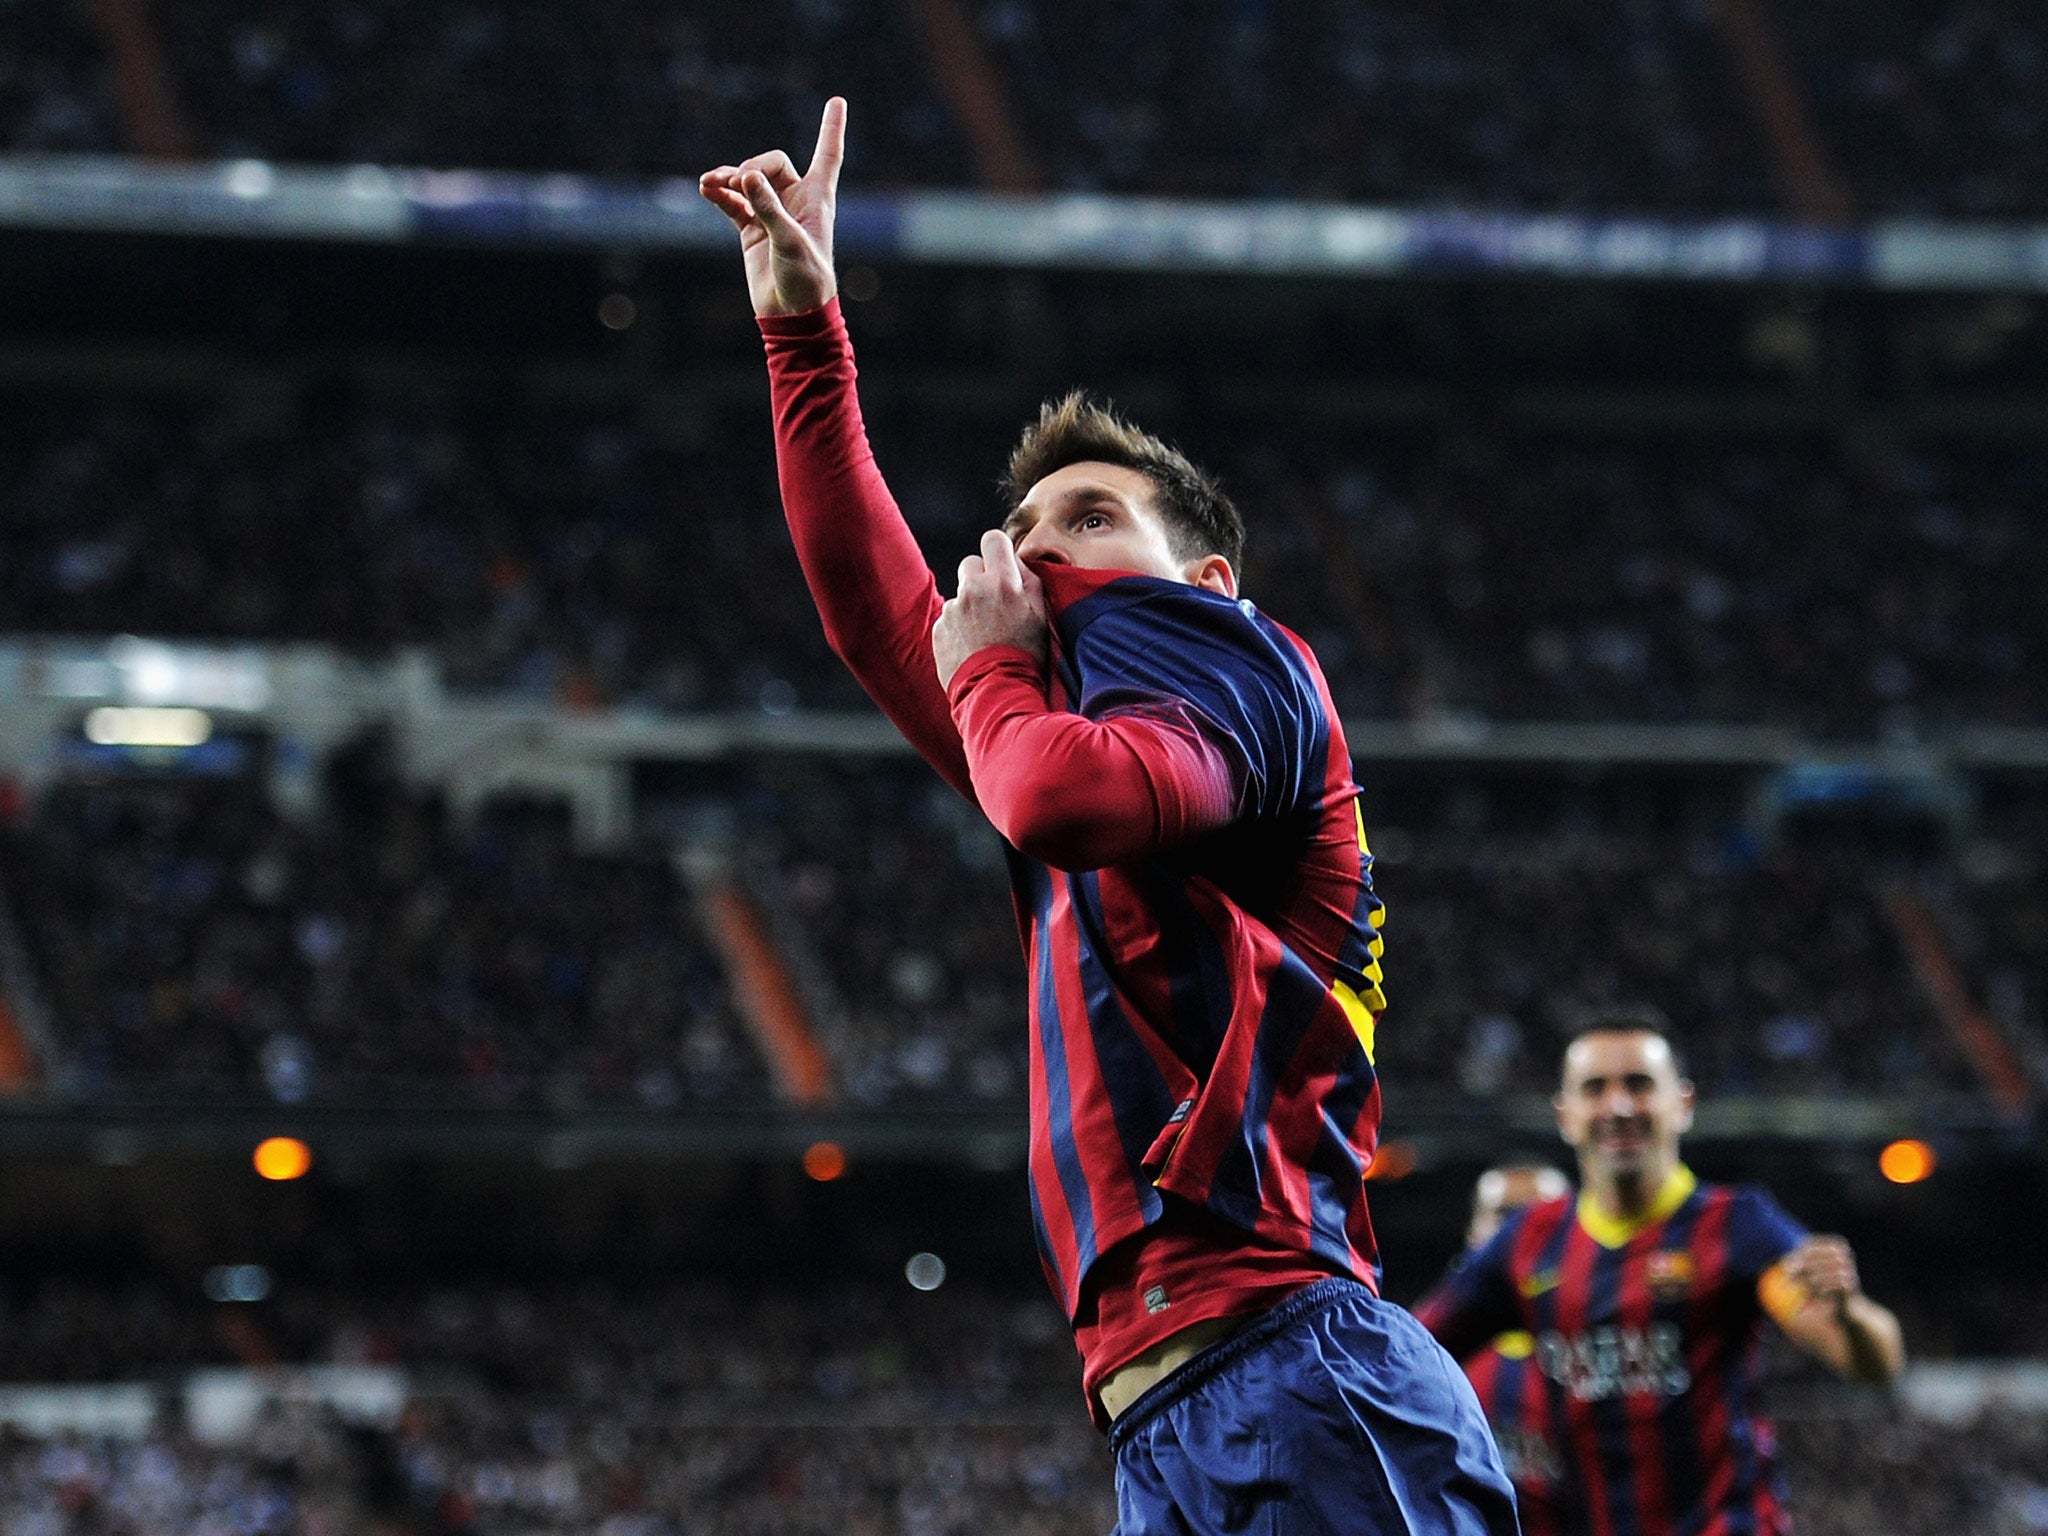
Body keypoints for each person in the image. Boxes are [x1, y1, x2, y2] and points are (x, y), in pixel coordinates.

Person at [700, 99, 1515, 1535]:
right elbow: (870, 614)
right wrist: (802, 333)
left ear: (1204, 579)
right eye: (1021, 535)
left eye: (1086, 518)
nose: (1034, 554)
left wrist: (998, 666)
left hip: (1300, 1373)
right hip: (1171, 1415)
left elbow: (1057, 793)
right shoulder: (1054, 715)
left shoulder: (1250, 671)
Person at [1415, 1013, 1905, 1536]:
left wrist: (1849, 1315)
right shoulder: (1528, 1244)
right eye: (1595, 1088)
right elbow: (1411, 1351)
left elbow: (1874, 1364)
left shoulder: (1736, 1225)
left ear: (1683, 1104)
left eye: (1640, 1085)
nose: (1619, 1106)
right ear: (1566, 1114)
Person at [1452, 1163, 1575, 1536]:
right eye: (1505, 1217)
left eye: (1542, 1214)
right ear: (1473, 1233)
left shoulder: (1611, 1340)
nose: (1522, 1232)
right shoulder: (1433, 1354)